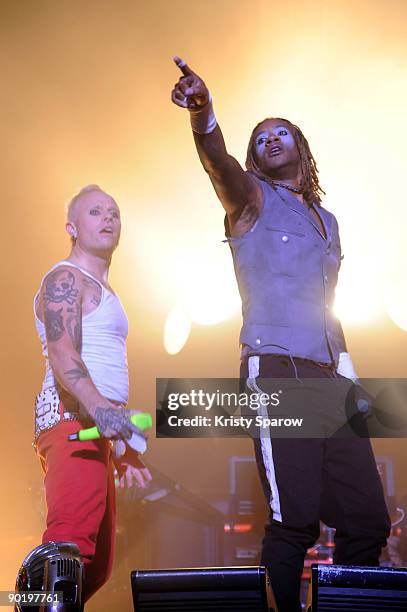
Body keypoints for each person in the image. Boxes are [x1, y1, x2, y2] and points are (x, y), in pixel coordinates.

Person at [171, 58, 390, 611]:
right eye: (261, 137)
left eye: (281, 133)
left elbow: (328, 306)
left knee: (367, 518)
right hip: (276, 372)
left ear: (301, 147)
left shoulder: (327, 221)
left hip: (329, 382)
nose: (271, 139)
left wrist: (350, 377)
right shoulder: (250, 202)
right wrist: (203, 112)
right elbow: (217, 163)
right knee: (294, 518)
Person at [28, 185, 152, 604]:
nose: (108, 218)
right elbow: (64, 358)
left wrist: (119, 444)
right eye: (95, 212)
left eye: (114, 212)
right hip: (71, 420)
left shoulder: (105, 287)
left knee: (94, 567)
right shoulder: (65, 278)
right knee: (68, 551)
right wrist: (105, 415)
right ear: (72, 227)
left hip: (94, 426)